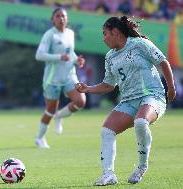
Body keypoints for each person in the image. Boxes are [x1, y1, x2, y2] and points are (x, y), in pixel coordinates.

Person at [75, 16, 176, 186]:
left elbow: (163, 62)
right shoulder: (110, 57)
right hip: (128, 101)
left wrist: (171, 87)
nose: (103, 38)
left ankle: (142, 167)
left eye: (105, 34)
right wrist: (88, 89)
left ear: (115, 32)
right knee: (107, 131)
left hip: (152, 95)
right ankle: (108, 174)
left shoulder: (139, 44)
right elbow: (108, 85)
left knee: (141, 121)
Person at [34, 7, 86, 149]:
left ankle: (60, 116)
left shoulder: (70, 33)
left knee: (80, 101)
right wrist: (59, 57)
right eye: (58, 16)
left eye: (63, 16)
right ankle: (39, 138)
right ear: (52, 19)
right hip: (53, 79)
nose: (61, 18)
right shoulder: (49, 35)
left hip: (69, 75)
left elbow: (70, 52)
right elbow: (39, 55)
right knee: (50, 110)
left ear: (67, 19)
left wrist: (77, 60)